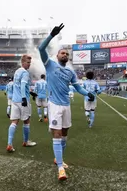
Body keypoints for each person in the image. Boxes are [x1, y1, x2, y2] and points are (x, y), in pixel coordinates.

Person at [38, 23, 95, 181]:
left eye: (66, 54)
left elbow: (78, 88)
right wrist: (51, 35)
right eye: (62, 53)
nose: (65, 55)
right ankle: (60, 168)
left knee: (64, 135)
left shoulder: (70, 71)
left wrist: (87, 94)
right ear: (57, 56)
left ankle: (59, 159)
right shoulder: (50, 65)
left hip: (66, 106)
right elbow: (41, 50)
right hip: (54, 104)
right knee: (56, 135)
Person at [6, 55, 36, 153]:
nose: (29, 64)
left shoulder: (17, 72)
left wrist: (30, 92)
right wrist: (24, 97)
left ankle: (9, 144)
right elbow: (22, 85)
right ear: (23, 62)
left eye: (30, 62)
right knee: (26, 121)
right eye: (28, 62)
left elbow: (18, 85)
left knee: (14, 122)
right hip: (23, 100)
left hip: (15, 100)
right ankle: (26, 141)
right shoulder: (25, 72)